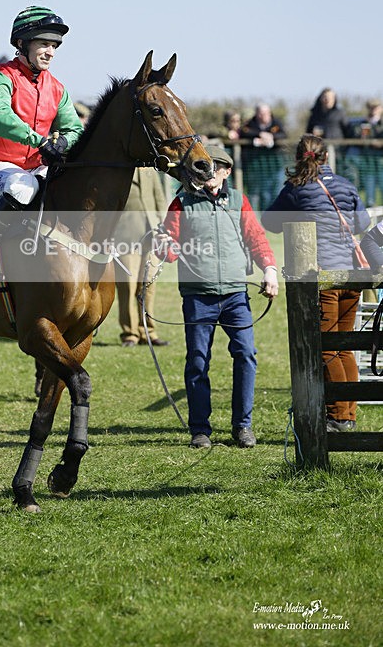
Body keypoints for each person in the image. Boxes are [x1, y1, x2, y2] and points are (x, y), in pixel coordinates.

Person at [156, 145, 279, 449]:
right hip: (198, 296)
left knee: (246, 355)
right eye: (205, 167)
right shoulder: (181, 203)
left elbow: (256, 238)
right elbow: (168, 248)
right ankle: (200, 430)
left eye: (216, 167)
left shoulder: (238, 200)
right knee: (198, 361)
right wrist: (163, 245)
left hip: (236, 295)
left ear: (226, 171)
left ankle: (243, 426)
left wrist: (269, 270)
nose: (210, 173)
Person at [0, 5, 84, 281]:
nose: (51, 52)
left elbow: (75, 129)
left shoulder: (57, 88)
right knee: (23, 187)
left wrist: (63, 142)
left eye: (54, 45)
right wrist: (41, 142)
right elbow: (0, 118)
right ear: (22, 44)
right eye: (44, 44)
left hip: (32, 168)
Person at [262, 134, 370, 433]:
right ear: (326, 157)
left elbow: (270, 222)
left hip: (323, 278)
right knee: (345, 347)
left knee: (325, 348)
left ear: (299, 157)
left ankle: (338, 417)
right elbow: (362, 224)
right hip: (351, 275)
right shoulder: (346, 185)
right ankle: (347, 415)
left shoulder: (296, 189)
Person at [115, 167, 168, 347]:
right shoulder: (119, 167)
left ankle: (148, 332)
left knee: (148, 285)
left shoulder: (149, 169)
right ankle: (130, 333)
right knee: (127, 287)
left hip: (152, 234)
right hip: (124, 236)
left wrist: (163, 226)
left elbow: (159, 198)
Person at [240, 103, 287, 213]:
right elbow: (244, 132)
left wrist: (271, 137)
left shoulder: (276, 123)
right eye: (261, 113)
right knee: (260, 194)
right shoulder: (250, 124)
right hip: (256, 167)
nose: (263, 116)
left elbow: (283, 135)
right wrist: (259, 135)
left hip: (275, 166)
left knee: (275, 193)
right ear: (256, 114)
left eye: (265, 113)